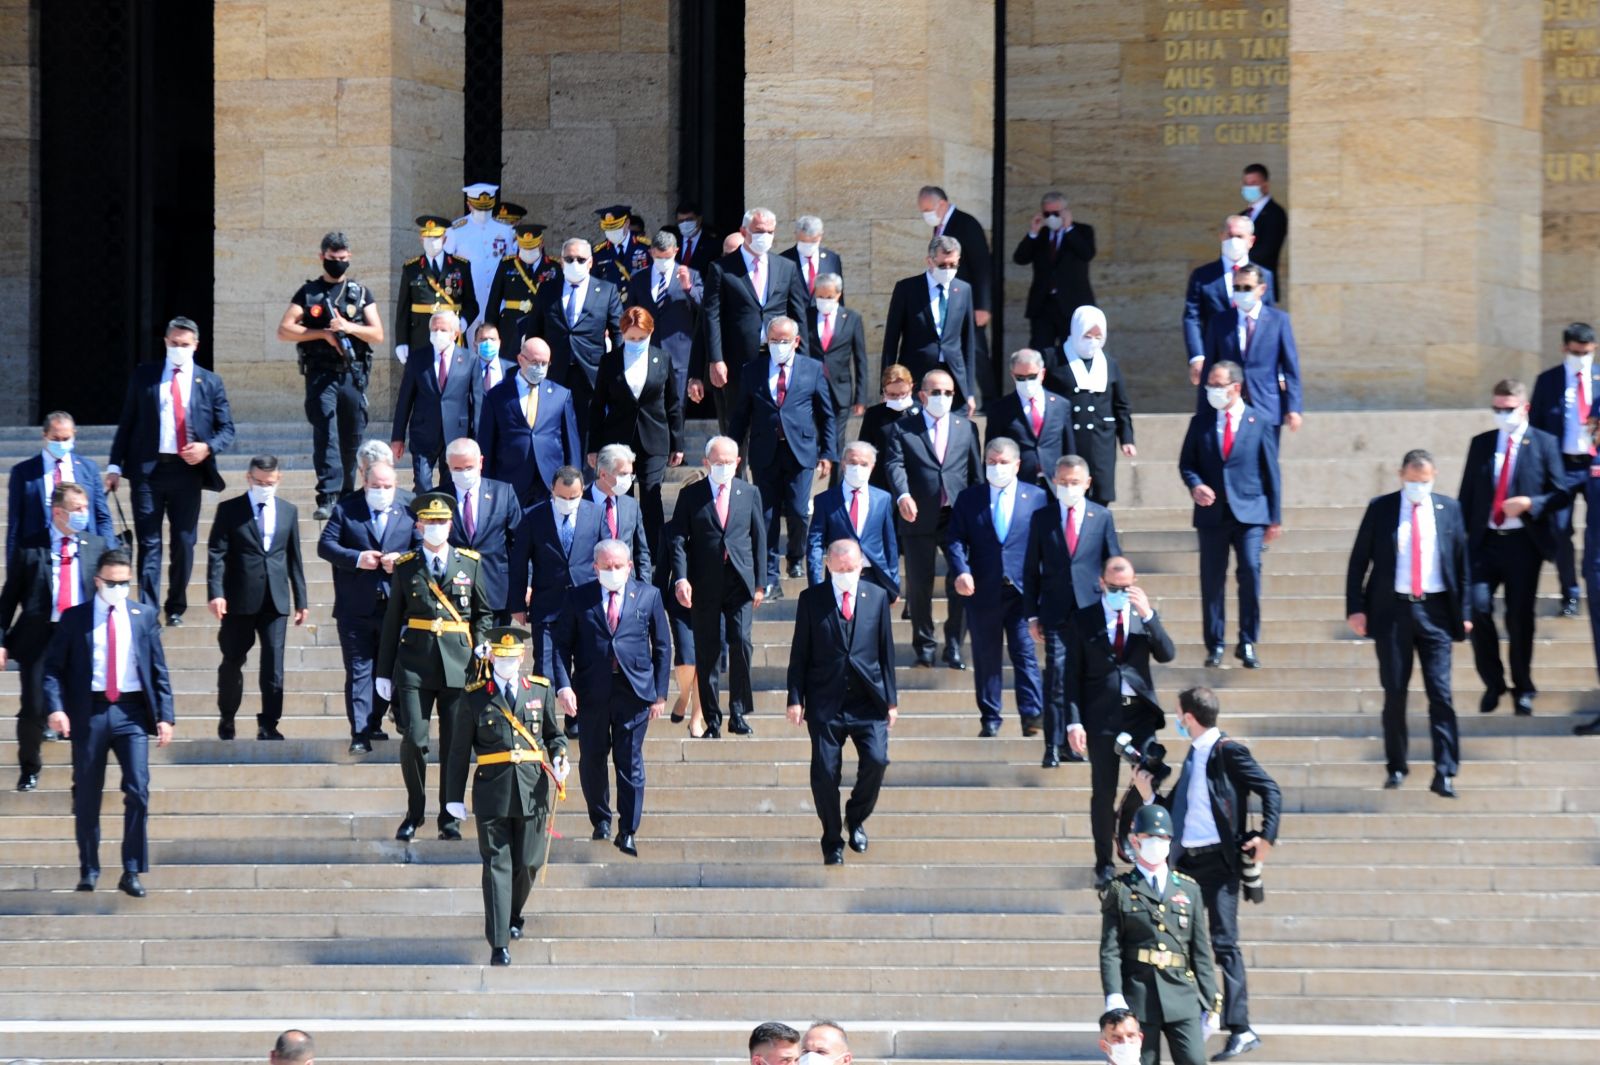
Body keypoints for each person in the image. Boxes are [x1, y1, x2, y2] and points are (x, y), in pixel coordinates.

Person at [1133, 686, 1282, 1062]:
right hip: (1187, 864)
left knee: (1224, 943)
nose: (1176, 720)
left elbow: (1271, 789)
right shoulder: (1194, 754)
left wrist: (1267, 838)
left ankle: (1241, 1028)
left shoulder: (1226, 751)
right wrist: (1147, 795)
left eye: (1178, 714)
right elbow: (1175, 810)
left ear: (1188, 717)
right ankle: (1199, 1010)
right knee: (1177, 941)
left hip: (1219, 863)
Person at [42, 548, 174, 897]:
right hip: (91, 711)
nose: (119, 588)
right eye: (113, 582)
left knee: (138, 789)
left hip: (131, 713)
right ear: (98, 581)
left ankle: (131, 870)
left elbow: (158, 669)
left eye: (125, 582)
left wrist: (165, 716)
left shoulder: (144, 616)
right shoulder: (75, 618)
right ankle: (89, 868)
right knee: (87, 794)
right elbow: (52, 669)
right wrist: (56, 708)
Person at [1346, 449, 1470, 797]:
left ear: (1434, 476)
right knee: (1395, 692)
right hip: (1392, 612)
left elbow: (1462, 563)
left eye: (1424, 480)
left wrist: (1466, 612)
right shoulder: (1381, 509)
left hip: (1436, 612)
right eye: (1413, 480)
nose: (1418, 486)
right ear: (1401, 475)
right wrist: (1356, 608)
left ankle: (1445, 771)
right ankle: (1397, 766)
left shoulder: (1449, 509)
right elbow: (1359, 561)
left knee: (1440, 693)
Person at [443, 626, 567, 966]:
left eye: (512, 657)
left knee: (528, 862)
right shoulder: (475, 696)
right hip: (492, 790)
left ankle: (511, 912)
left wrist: (560, 757)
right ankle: (499, 943)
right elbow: (458, 750)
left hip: (532, 789)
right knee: (497, 864)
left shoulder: (539, 691)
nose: (507, 663)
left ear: (522, 657)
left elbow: (555, 736)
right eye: (501, 657)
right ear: (492, 656)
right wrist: (453, 797)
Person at [376, 492, 495, 842]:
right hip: (415, 662)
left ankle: (449, 816)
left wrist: (482, 642)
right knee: (415, 738)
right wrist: (383, 671)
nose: (436, 527)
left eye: (442, 521)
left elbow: (483, 612)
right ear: (419, 525)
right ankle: (415, 812)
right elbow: (392, 620)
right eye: (430, 521)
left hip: (459, 663)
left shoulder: (469, 563)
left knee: (455, 745)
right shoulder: (406, 565)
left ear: (451, 524)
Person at [107, 316, 237, 628]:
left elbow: (227, 429)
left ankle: (175, 605)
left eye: (185, 344)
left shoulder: (210, 382)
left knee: (184, 542)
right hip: (148, 472)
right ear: (166, 342)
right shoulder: (145, 376)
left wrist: (207, 448)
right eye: (174, 343)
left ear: (196, 346)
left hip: (187, 471)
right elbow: (128, 421)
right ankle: (149, 611)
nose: (179, 348)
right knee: (149, 543)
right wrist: (114, 465)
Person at [550, 539, 670, 856]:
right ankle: (601, 819)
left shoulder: (648, 595)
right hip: (591, 691)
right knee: (592, 758)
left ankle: (627, 830)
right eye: (607, 566)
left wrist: (660, 694)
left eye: (618, 566)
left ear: (629, 567)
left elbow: (662, 645)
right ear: (595, 567)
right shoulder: (578, 597)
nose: (613, 571)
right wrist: (564, 686)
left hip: (634, 691)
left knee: (629, 761)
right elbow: (561, 646)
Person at [1064, 557, 1175, 882]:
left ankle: (1126, 824)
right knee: (1103, 791)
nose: (1119, 593)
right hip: (1102, 717)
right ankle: (1104, 862)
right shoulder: (1084, 619)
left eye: (1125, 588)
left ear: (1134, 584)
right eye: (1114, 588)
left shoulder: (1143, 617)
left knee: (1151, 774)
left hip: (1139, 714)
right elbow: (1071, 676)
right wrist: (1074, 722)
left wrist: (1148, 615)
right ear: (1102, 583)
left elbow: (1167, 653)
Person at [787, 539, 897, 865]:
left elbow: (886, 651)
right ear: (829, 567)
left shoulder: (876, 597)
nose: (846, 574)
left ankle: (856, 817)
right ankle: (832, 840)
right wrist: (795, 698)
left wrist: (891, 700)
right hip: (826, 701)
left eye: (851, 569)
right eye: (840, 569)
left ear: (861, 566)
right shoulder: (811, 600)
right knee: (824, 773)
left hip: (869, 701)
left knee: (877, 759)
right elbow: (799, 653)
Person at [1459, 379, 1564, 715]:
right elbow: (1467, 495)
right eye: (1497, 408)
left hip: (1523, 544)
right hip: (1484, 543)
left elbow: (1561, 491)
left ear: (1525, 407)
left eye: (1508, 409)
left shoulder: (1545, 443)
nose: (1502, 414)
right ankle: (1494, 682)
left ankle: (1523, 687)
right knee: (1477, 608)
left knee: (1519, 617)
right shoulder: (1481, 443)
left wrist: (1531, 503)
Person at [0, 483, 107, 791]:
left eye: (86, 508)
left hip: (80, 638)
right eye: (77, 509)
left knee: (82, 708)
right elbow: (9, 598)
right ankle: (30, 767)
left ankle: (81, 777)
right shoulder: (30, 547)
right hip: (40, 637)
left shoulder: (95, 545)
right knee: (34, 706)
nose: (84, 514)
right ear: (58, 512)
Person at [1178, 362, 1281, 669]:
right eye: (1209, 384)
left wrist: (1274, 517)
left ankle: (1247, 641)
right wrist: (1196, 485)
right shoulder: (1201, 422)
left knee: (1250, 570)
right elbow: (1187, 463)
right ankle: (1215, 644)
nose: (1211, 390)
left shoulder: (1258, 421)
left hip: (1250, 512)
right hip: (1212, 514)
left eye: (1218, 384)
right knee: (1212, 579)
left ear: (1236, 387)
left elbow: (1271, 471)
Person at [1100, 803, 1221, 1065]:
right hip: (1139, 996)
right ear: (1135, 840)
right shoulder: (1119, 890)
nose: (1157, 842)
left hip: (1182, 994)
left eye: (1163, 837)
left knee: (1194, 1060)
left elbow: (1200, 951)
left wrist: (1212, 1001)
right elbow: (1110, 950)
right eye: (1150, 837)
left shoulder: (1189, 890)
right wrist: (1114, 996)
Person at [729, 315, 838, 596]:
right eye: (773, 340)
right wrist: (732, 450)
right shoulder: (752, 370)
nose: (778, 345)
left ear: (796, 341)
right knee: (766, 517)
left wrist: (828, 452)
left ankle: (795, 556)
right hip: (764, 452)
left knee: (799, 511)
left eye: (784, 340)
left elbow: (826, 415)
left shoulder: (812, 369)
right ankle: (770, 577)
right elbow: (741, 415)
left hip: (800, 452)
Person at [277, 230, 383, 519]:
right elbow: (285, 329)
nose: (338, 262)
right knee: (326, 432)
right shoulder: (309, 293)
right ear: (321, 257)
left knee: (352, 435)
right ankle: (328, 494)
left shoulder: (361, 293)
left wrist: (349, 327)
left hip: (352, 374)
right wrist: (323, 333)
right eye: (333, 257)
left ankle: (347, 492)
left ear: (350, 258)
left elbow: (377, 333)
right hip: (321, 375)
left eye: (343, 258)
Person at [946, 438, 1047, 738]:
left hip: (1022, 592)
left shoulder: (1036, 497)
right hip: (983, 589)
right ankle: (990, 717)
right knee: (986, 655)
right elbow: (955, 539)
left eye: (1003, 462)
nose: (997, 467)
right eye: (991, 462)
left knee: (1024, 652)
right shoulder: (970, 498)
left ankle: (1032, 714)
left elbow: (1044, 543)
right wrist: (961, 571)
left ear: (1017, 465)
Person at [668, 436, 767, 738]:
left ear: (738, 462)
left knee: (741, 643)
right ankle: (712, 718)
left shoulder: (749, 492)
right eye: (718, 462)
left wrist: (760, 583)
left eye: (729, 462)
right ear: (706, 462)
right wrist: (681, 578)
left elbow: (759, 538)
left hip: (739, 581)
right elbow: (678, 540)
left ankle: (738, 712)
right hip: (704, 582)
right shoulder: (691, 495)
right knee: (708, 650)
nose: (724, 466)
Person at [206, 455, 309, 741]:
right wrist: (216, 593)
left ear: (279, 480)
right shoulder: (230, 509)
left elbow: (294, 557)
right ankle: (227, 715)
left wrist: (302, 599)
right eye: (259, 482)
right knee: (232, 660)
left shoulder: (288, 511)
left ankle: (269, 724)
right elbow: (216, 553)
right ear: (248, 478)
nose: (265, 487)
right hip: (238, 599)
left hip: (276, 599)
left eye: (270, 482)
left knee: (273, 664)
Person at [1026, 455, 1124, 753]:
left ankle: (1077, 743)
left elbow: (1114, 562)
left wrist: (1118, 604)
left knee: (1086, 676)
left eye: (1075, 482)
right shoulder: (1042, 518)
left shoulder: (1101, 517)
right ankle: (1053, 745)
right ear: (1055, 481)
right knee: (1056, 675)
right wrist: (1031, 615)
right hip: (1055, 610)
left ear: (1087, 483)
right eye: (1063, 482)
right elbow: (1031, 570)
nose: (1069, 487)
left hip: (1091, 610)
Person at [318, 460, 417, 754]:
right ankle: (360, 732)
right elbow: (326, 545)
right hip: (356, 608)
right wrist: (358, 558)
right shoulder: (346, 509)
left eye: (387, 486)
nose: (381, 491)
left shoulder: (408, 510)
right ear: (365, 483)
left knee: (396, 668)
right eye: (376, 486)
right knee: (360, 670)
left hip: (397, 608)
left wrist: (402, 560)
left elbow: (422, 548)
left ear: (395, 486)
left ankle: (384, 720)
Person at [885, 368, 979, 670]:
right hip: (917, 516)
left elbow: (975, 474)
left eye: (948, 392)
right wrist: (903, 495)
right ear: (922, 395)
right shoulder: (903, 428)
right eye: (936, 392)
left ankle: (954, 646)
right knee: (919, 585)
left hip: (956, 517)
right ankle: (924, 647)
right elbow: (895, 464)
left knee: (961, 579)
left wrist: (979, 516)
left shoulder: (966, 428)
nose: (943, 397)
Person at [691, 207, 811, 430]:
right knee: (737, 425)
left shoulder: (786, 267)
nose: (764, 236)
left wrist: (804, 362)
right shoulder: (721, 268)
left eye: (770, 232)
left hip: (777, 358)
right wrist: (716, 359)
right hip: (737, 362)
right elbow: (711, 317)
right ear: (744, 231)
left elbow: (798, 317)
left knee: (775, 424)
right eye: (759, 231)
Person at [589, 305, 686, 544]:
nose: (636, 342)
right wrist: (594, 447)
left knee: (652, 494)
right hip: (618, 439)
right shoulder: (610, 361)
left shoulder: (662, 358)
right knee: (622, 494)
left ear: (651, 333)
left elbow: (673, 403)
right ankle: (623, 546)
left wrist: (678, 443)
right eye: (631, 338)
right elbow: (597, 405)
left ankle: (654, 551)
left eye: (641, 337)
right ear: (622, 334)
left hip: (654, 438)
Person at [515, 237, 623, 444]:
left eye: (581, 259)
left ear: (590, 262)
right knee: (552, 430)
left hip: (590, 373)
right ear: (562, 262)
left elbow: (617, 332)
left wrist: (616, 369)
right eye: (569, 259)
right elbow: (535, 330)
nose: (575, 264)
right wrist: (529, 365)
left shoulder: (606, 290)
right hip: (554, 371)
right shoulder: (547, 289)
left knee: (587, 433)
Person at [507, 466, 603, 684]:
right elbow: (520, 562)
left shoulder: (596, 514)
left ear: (582, 491)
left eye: (573, 497)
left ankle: (577, 709)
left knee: (587, 672)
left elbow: (605, 555)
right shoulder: (533, 516)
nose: (568, 501)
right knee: (545, 672)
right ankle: (546, 708)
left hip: (586, 605)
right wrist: (517, 604)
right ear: (552, 490)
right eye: (562, 497)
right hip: (547, 606)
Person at [1528, 321, 1598, 616]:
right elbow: (1536, 428)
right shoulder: (1548, 381)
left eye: (1587, 352)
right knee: (1559, 529)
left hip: (1595, 464)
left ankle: (1594, 583)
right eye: (1576, 352)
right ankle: (1570, 592)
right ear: (1564, 348)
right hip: (1562, 467)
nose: (1581, 357)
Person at [1198, 264, 1303, 438]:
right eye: (1237, 288)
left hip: (1266, 406)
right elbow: (1209, 367)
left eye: (1247, 287)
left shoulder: (1278, 321)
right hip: (1229, 406)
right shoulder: (1220, 322)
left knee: (1267, 455)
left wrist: (1294, 408)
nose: (1241, 292)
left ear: (1262, 289)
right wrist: (1203, 410)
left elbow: (1291, 368)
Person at [477, 336, 581, 507]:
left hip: (550, 481)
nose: (539, 368)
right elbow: (486, 442)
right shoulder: (497, 395)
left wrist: (574, 479)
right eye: (534, 362)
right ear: (520, 359)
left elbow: (571, 442)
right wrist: (486, 484)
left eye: (544, 363)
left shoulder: (561, 395)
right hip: (511, 480)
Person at [881, 235, 978, 413]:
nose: (948, 270)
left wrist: (970, 392)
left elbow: (969, 342)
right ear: (930, 261)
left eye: (953, 265)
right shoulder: (907, 289)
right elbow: (891, 339)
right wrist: (886, 385)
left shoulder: (963, 289)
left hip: (953, 375)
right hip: (916, 374)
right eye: (942, 265)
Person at [1048, 307, 1136, 503]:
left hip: (1101, 438)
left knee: (1100, 492)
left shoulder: (1109, 363)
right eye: (1087, 336)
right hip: (1068, 436)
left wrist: (1127, 438)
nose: (1092, 341)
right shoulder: (1054, 359)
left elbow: (1121, 403)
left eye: (1098, 337)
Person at [918, 185, 994, 404]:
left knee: (976, 350)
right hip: (947, 300)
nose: (926, 214)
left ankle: (990, 399)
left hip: (968, 301)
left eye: (928, 209)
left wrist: (983, 306)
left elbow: (982, 266)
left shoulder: (966, 223)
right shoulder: (940, 227)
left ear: (942, 204)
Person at [7, 411, 113, 566]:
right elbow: (15, 524)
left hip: (84, 550)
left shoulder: (88, 469)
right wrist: (13, 567)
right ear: (45, 435)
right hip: (41, 553)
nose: (61, 444)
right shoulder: (24, 472)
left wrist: (110, 556)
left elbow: (102, 516)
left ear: (74, 434)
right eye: (55, 439)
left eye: (66, 439)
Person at [390, 309, 480, 491]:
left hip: (456, 434)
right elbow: (405, 399)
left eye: (443, 330)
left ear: (455, 334)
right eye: (434, 329)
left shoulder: (470, 359)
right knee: (422, 485)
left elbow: (477, 403)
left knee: (450, 488)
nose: (438, 333)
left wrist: (477, 439)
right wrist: (397, 437)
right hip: (423, 433)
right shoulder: (417, 358)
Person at [1182, 216, 1276, 383]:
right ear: (1221, 236)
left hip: (1255, 363)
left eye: (1239, 236)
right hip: (1215, 361)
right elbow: (1192, 317)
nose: (1234, 241)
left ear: (1251, 241)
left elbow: (1269, 321)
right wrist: (1197, 357)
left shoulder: (1264, 276)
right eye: (1229, 236)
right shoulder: (1202, 276)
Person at [441, 437, 521, 627]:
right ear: (448, 466)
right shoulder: (438, 497)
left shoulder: (503, 493)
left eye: (469, 467)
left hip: (495, 591)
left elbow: (519, 544)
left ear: (481, 462)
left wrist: (524, 584)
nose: (464, 473)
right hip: (451, 595)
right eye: (457, 469)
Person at [806, 441, 899, 599]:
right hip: (838, 576)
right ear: (843, 464)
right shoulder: (825, 500)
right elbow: (815, 544)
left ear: (872, 467)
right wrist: (816, 582)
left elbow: (889, 543)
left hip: (874, 577)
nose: (858, 468)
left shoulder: (882, 499)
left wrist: (894, 583)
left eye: (864, 464)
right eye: (853, 463)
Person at [624, 230, 702, 416]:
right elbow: (629, 314)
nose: (663, 261)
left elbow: (704, 308)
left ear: (676, 251)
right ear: (651, 252)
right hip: (645, 354)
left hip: (679, 358)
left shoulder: (691, 275)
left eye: (667, 257)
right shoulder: (639, 278)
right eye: (659, 257)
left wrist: (688, 288)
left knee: (676, 411)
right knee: (648, 410)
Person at [1013, 190, 1096, 350]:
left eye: (1056, 213)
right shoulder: (1041, 234)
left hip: (1072, 304)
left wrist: (1069, 228)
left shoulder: (1082, 231)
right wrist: (1033, 233)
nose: (1052, 217)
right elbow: (1020, 258)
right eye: (1047, 214)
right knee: (1040, 350)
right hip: (1043, 304)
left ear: (1065, 211)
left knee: (1072, 351)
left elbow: (1087, 254)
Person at [393, 214, 477, 364]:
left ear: (444, 239)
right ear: (421, 239)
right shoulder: (411, 268)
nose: (432, 242)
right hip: (420, 338)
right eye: (428, 237)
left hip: (451, 334)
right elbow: (403, 309)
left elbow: (471, 304)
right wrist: (401, 341)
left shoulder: (461, 266)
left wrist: (462, 323)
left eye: (436, 237)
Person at [987, 348, 1073, 489]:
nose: (1027, 382)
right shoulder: (1000, 409)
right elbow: (992, 449)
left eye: (1032, 376)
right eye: (1020, 377)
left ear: (1042, 373)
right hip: (1018, 484)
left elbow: (1069, 448)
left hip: (1054, 483)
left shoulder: (1061, 405)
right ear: (1012, 375)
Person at [443, 183, 515, 339]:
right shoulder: (455, 230)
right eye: (479, 208)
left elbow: (512, 265)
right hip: (469, 300)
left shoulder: (506, 230)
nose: (484, 213)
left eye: (487, 208)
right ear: (469, 204)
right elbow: (446, 267)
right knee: (469, 346)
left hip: (499, 302)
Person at [807, 273, 869, 442]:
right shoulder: (806, 317)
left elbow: (860, 360)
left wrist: (861, 398)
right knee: (813, 439)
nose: (824, 300)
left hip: (840, 391)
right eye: (820, 296)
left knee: (836, 441)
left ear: (838, 294)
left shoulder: (852, 318)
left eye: (829, 297)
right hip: (812, 389)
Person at [588, 444, 653, 581]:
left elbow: (641, 552)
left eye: (630, 474)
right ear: (603, 474)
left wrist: (644, 586)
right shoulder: (581, 502)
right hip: (590, 583)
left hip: (626, 583)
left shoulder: (631, 505)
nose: (628, 479)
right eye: (623, 474)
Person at [483, 222, 561, 331]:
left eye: (532, 247)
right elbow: (494, 301)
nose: (528, 251)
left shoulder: (554, 267)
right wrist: (490, 328)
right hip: (511, 327)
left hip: (543, 325)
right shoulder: (507, 265)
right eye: (524, 247)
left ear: (541, 243)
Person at [858, 365, 922, 491]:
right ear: (884, 391)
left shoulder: (922, 412)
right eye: (892, 394)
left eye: (903, 394)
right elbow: (864, 447)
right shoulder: (874, 414)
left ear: (911, 387)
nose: (898, 399)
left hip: (914, 481)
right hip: (881, 480)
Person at [1239, 163, 1287, 287]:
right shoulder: (1242, 215)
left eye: (1253, 183)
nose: (1249, 187)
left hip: (1262, 283)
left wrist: (1237, 262)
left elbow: (1267, 250)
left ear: (1265, 185)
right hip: (1238, 282)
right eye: (1246, 183)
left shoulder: (1275, 213)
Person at [780, 214, 844, 306]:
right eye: (804, 241)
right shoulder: (784, 259)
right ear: (796, 235)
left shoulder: (832, 259)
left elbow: (838, 292)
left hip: (823, 313)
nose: (808, 245)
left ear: (820, 236)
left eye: (813, 241)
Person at [590, 204, 653, 293]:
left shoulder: (645, 247)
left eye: (616, 227)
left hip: (639, 299)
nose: (612, 231)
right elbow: (594, 283)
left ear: (627, 223)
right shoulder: (598, 252)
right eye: (608, 228)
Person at [673, 201, 718, 274]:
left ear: (699, 219)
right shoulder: (673, 241)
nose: (685, 224)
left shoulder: (713, 244)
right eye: (681, 221)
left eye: (689, 219)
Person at [470, 321, 510, 395]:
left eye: (492, 339)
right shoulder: (466, 369)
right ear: (475, 344)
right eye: (483, 339)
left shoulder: (511, 370)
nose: (488, 343)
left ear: (499, 343)